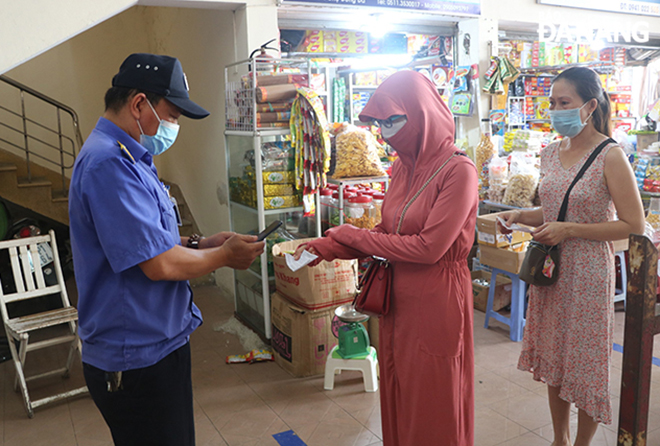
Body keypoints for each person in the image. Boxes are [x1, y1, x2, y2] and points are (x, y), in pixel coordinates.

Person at [68, 53, 264, 446]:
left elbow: (143, 239)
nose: (174, 126)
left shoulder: (133, 158)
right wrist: (224, 258)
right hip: (135, 355)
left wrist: (199, 243)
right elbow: (157, 265)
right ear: (139, 103)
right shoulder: (109, 164)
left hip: (158, 343)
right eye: (171, 115)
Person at [295, 70, 478, 446]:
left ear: (423, 112)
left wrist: (352, 235)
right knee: (401, 388)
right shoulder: (401, 168)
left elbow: (429, 248)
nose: (386, 131)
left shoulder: (458, 171)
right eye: (380, 123)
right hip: (398, 298)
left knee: (433, 397)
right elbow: (387, 233)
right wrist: (328, 246)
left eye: (394, 120)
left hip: (436, 298)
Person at [499, 67, 644, 446]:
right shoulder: (550, 152)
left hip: (588, 274)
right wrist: (519, 216)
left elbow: (633, 225)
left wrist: (571, 230)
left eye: (565, 103)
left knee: (585, 361)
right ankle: (559, 440)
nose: (555, 110)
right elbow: (553, 210)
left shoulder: (610, 156)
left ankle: (582, 442)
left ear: (590, 106)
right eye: (552, 103)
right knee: (554, 358)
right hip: (551, 271)